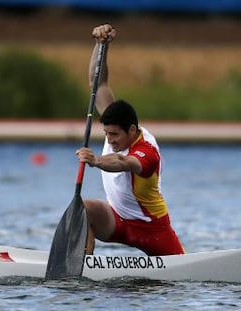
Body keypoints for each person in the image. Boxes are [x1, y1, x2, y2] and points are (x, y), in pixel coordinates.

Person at [76, 24, 185, 256]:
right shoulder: (115, 127)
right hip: (118, 220)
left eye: (114, 135)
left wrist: (95, 161)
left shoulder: (147, 151)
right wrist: (100, 45)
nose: (109, 139)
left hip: (153, 230)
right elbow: (99, 84)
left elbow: (123, 163)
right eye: (106, 134)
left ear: (132, 130)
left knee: (177, 278)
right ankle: (84, 263)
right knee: (83, 209)